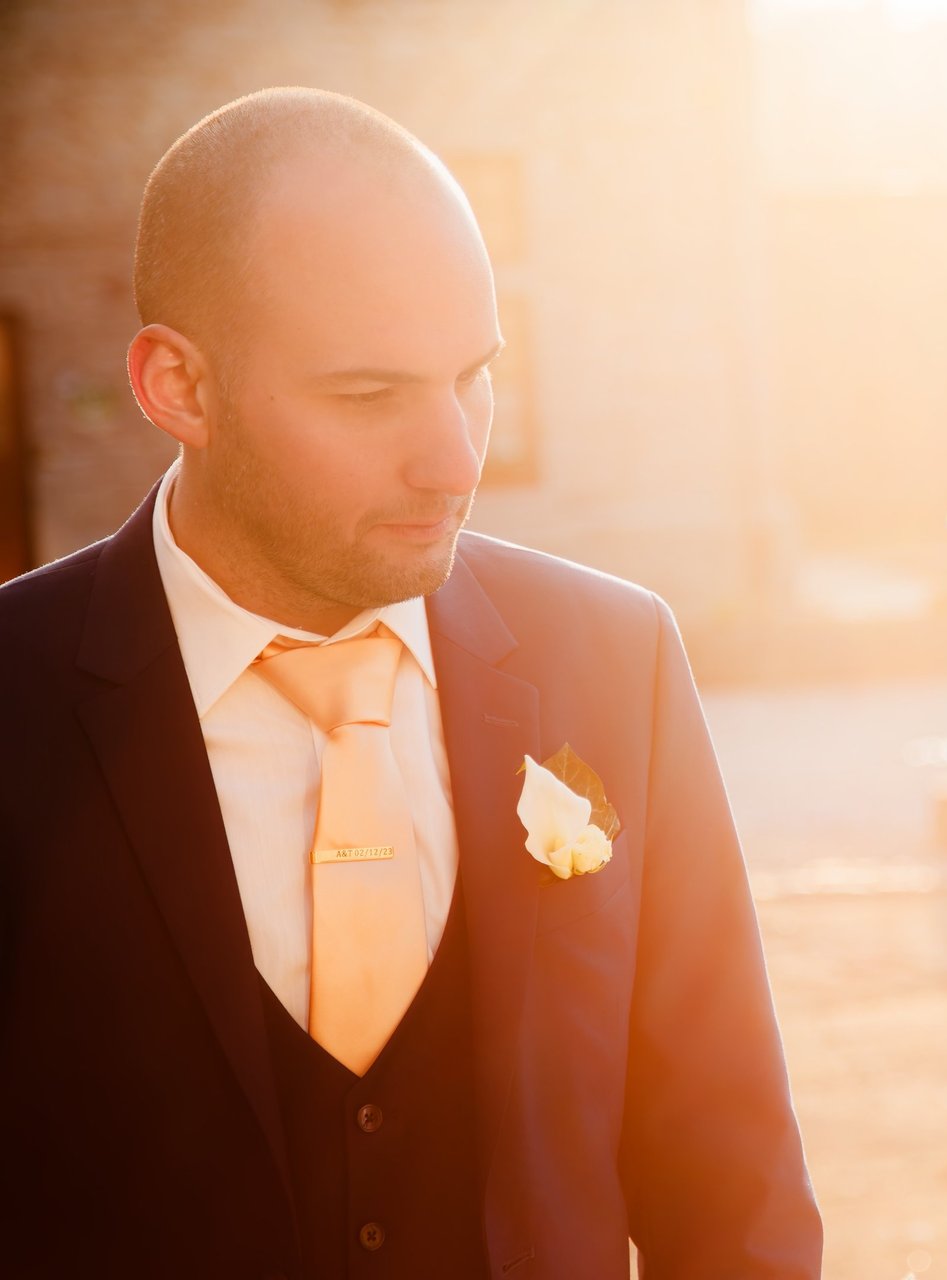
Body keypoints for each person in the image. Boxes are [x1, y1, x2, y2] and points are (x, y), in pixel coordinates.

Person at [0, 88, 822, 1278]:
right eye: (370, 394)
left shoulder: (615, 659)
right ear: (179, 385)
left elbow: (732, 1186)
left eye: (474, 376)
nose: (455, 457)